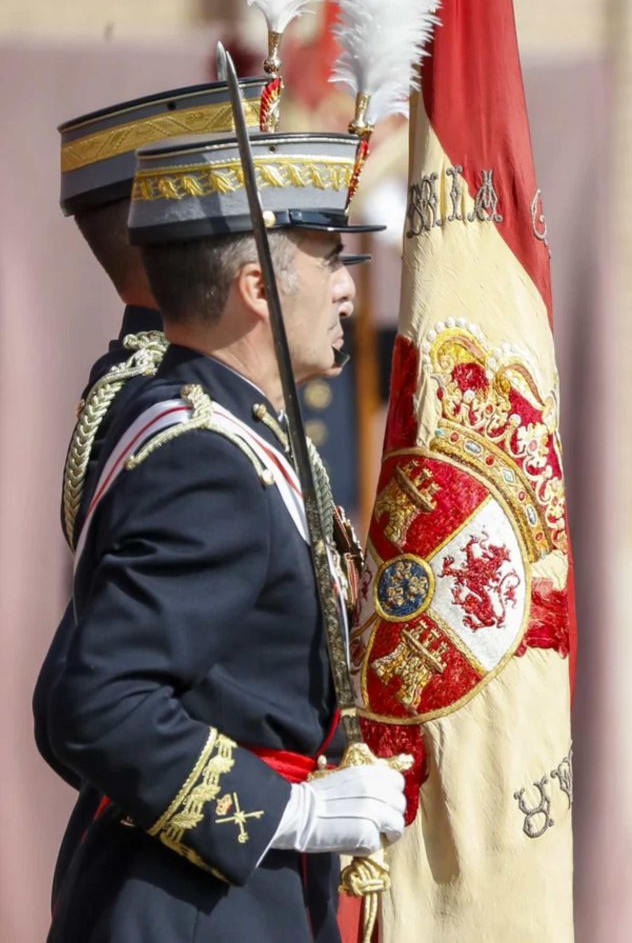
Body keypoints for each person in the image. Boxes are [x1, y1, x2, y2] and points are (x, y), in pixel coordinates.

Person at [45, 132, 403, 941]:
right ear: (257, 289)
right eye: (328, 260)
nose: (348, 291)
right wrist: (290, 811)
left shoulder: (245, 432)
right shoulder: (211, 463)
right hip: (190, 908)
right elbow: (94, 702)